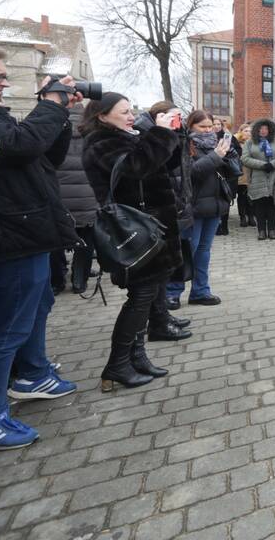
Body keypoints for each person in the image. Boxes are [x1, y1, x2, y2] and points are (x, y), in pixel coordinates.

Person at [0, 53, 80, 449]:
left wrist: (59, 117)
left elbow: (45, 158)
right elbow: (21, 145)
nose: (3, 84)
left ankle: (32, 373)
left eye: (4, 77)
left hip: (30, 231)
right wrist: (51, 105)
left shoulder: (0, 115)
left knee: (36, 306)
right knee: (6, 329)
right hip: (10, 235)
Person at [81, 93, 183, 392]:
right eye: (123, 111)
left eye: (130, 110)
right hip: (134, 232)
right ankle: (116, 365)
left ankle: (137, 357)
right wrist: (159, 133)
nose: (130, 116)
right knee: (140, 298)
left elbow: (163, 163)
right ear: (102, 116)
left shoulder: (126, 136)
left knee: (147, 295)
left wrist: (171, 134)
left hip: (151, 228)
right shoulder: (102, 143)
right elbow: (137, 168)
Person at [135, 101, 193, 338]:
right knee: (153, 277)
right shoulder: (144, 133)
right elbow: (149, 166)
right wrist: (162, 133)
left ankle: (162, 318)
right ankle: (157, 323)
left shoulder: (164, 132)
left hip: (166, 206)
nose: (131, 116)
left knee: (163, 271)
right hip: (150, 212)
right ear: (160, 116)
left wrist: (177, 136)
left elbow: (172, 163)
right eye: (175, 117)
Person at [166, 110, 237, 307]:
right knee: (186, 250)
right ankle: (172, 292)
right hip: (192, 207)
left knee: (204, 251)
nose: (207, 130)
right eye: (202, 126)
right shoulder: (185, 145)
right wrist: (216, 156)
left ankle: (200, 291)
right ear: (191, 126)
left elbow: (231, 173)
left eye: (210, 126)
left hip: (213, 206)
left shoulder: (216, 144)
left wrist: (229, 156)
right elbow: (191, 173)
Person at [57, 103, 101, 293]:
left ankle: (57, 280)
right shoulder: (94, 133)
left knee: (56, 241)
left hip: (60, 194)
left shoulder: (53, 130)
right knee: (86, 239)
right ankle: (79, 280)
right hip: (88, 194)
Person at [241, 118, 275, 240]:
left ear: (270, 129)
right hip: (257, 177)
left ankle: (272, 230)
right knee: (259, 205)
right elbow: (245, 159)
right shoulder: (250, 143)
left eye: (266, 128)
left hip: (274, 177)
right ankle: (261, 231)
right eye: (261, 129)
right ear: (257, 130)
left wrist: (274, 164)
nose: (263, 131)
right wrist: (262, 165)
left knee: (272, 205)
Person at [213, 117, 239, 236]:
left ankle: (224, 225)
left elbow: (238, 153)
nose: (216, 126)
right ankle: (216, 225)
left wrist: (230, 145)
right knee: (215, 199)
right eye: (214, 124)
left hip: (227, 173)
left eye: (218, 124)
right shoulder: (207, 137)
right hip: (213, 171)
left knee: (226, 200)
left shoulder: (228, 137)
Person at [234, 123, 255, 227]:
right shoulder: (237, 143)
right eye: (246, 131)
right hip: (242, 173)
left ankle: (251, 216)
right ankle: (242, 216)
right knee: (242, 196)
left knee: (251, 196)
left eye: (250, 131)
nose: (248, 133)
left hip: (253, 173)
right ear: (241, 132)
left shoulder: (254, 143)